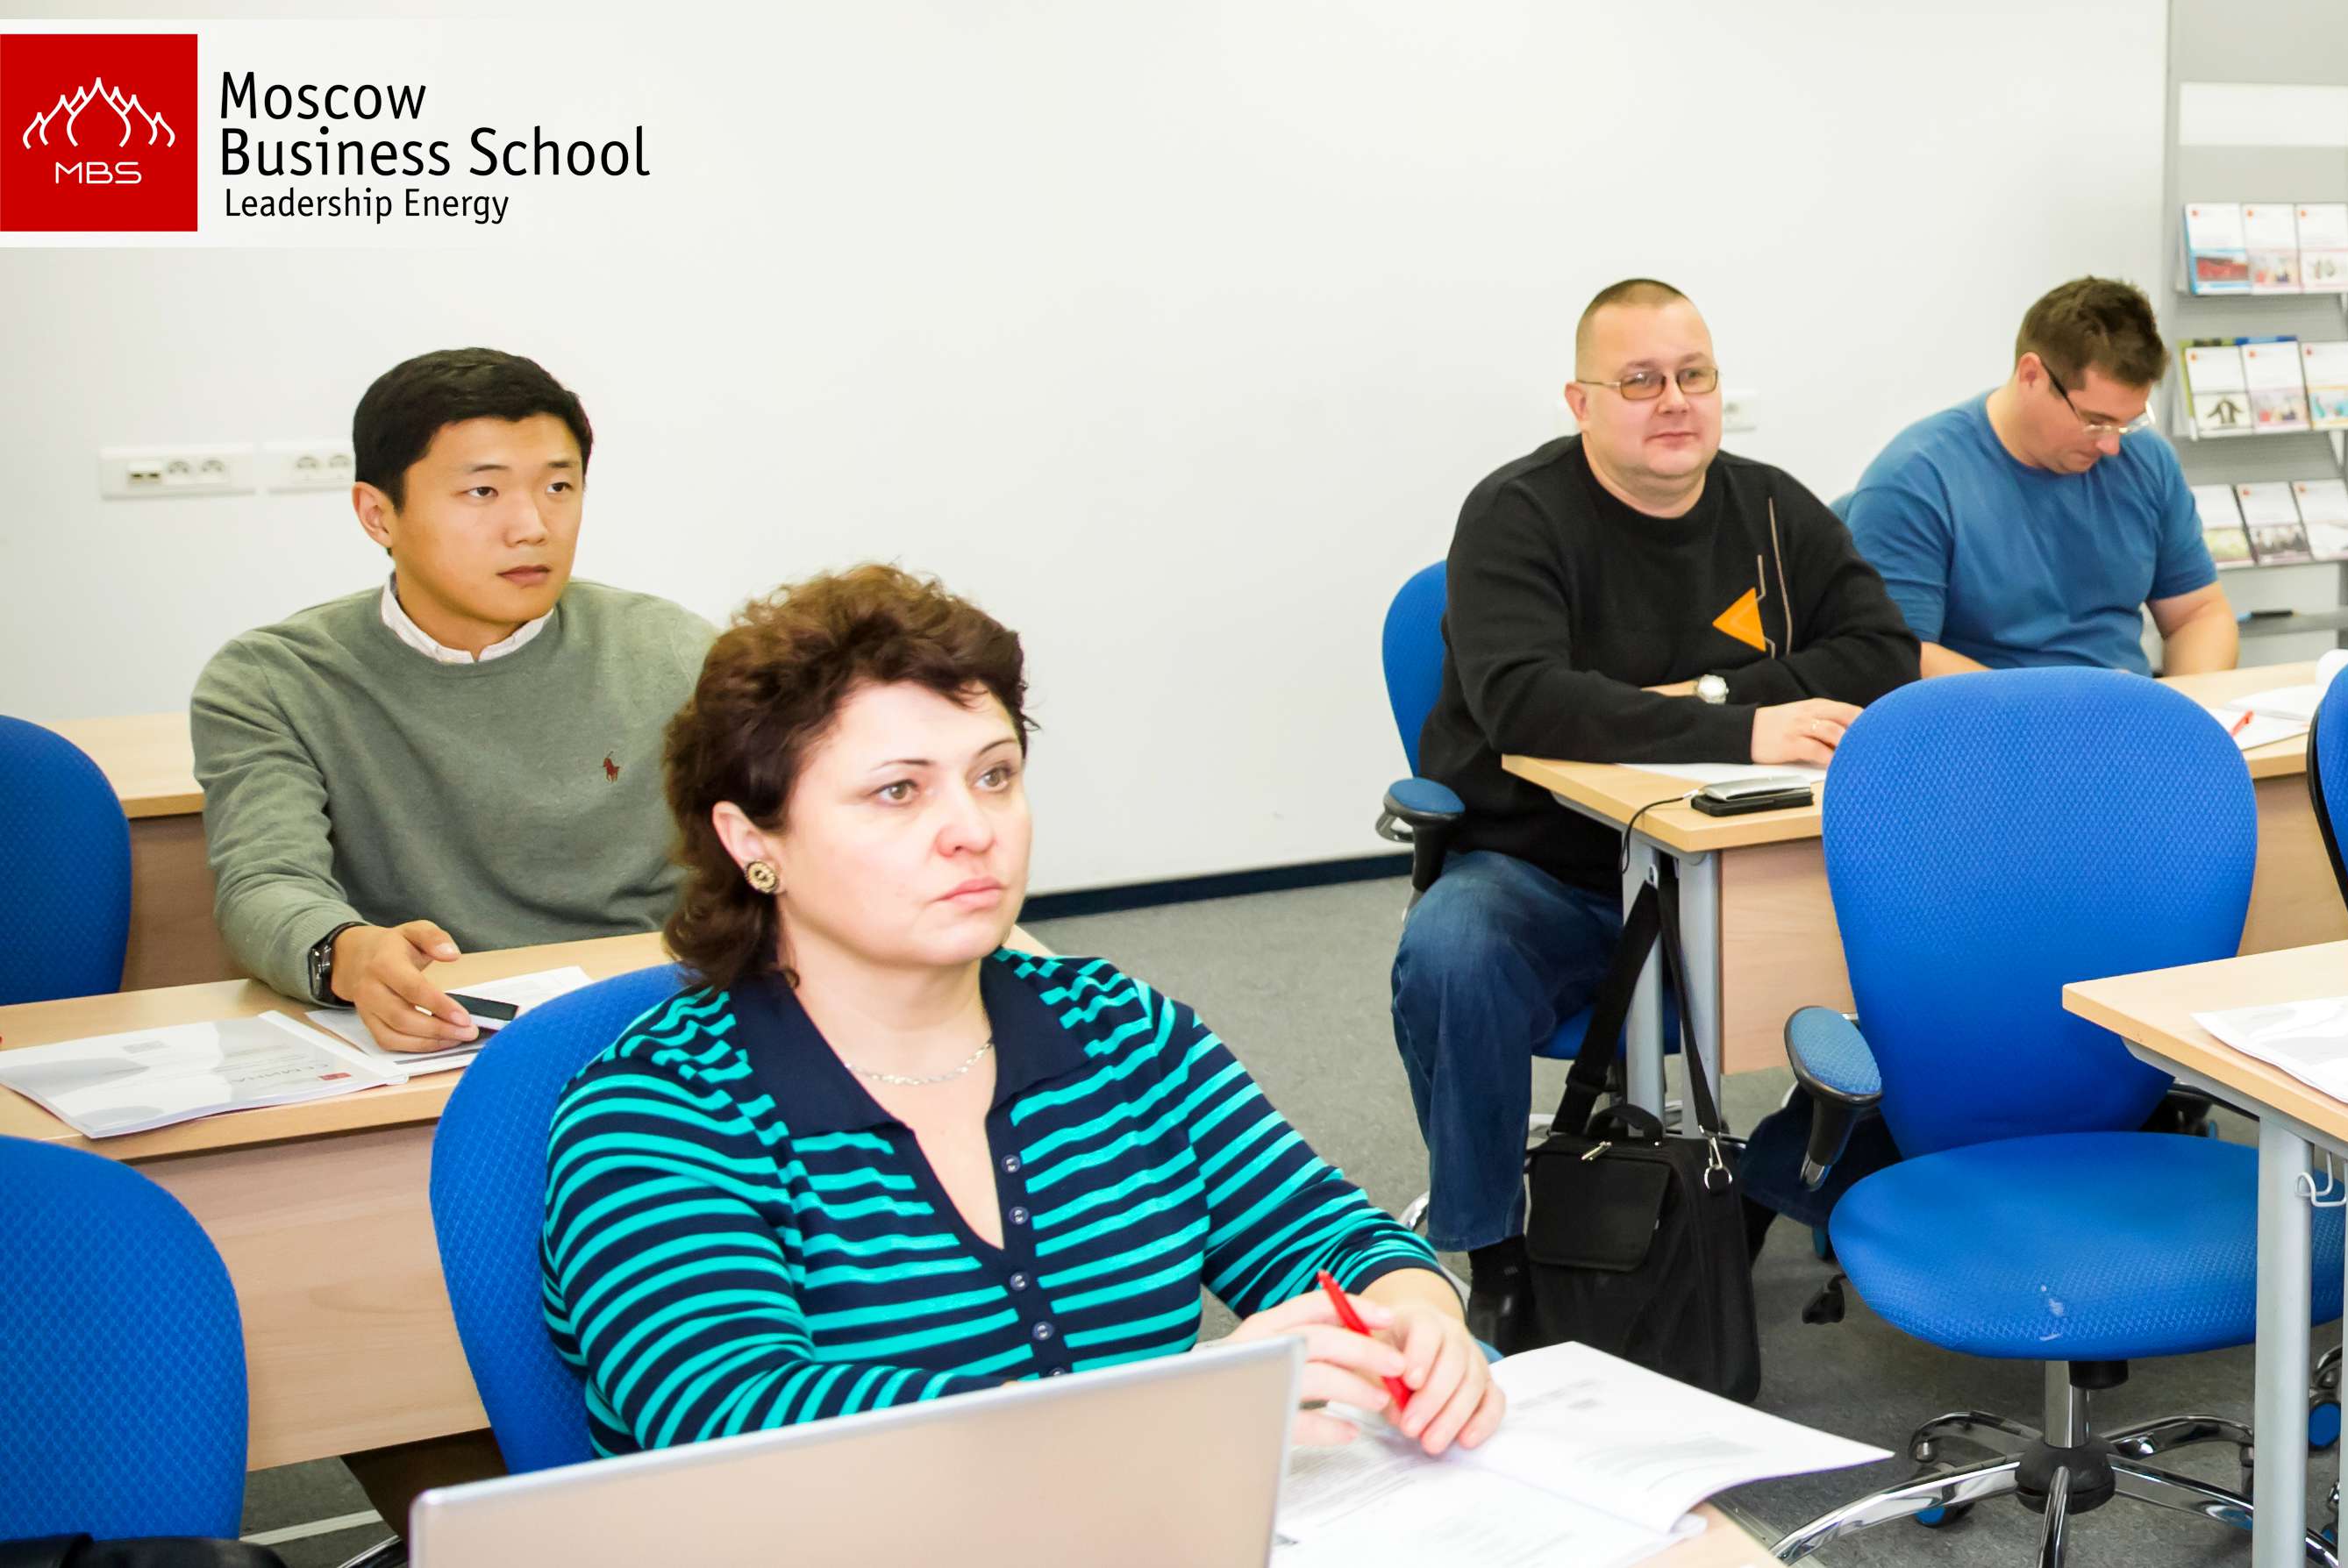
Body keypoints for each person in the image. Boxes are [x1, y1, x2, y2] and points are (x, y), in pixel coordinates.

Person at [543, 565, 1498, 1458]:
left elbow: (1330, 1237)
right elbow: (734, 1423)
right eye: (898, 791)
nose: (973, 829)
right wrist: (1171, 1416)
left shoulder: (1117, 1030)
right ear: (754, 840)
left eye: (994, 775)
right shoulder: (658, 1114)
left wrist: (1416, 1316)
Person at [1389, 278, 1914, 1301]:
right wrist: (1745, 723)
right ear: (1580, 402)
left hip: (1745, 877)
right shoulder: (1515, 515)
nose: (1674, 401)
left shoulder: (1772, 507)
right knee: (1451, 953)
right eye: (1639, 381)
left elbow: (1883, 655)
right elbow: (1527, 704)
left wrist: (1698, 693)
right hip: (1550, 875)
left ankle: (1804, 1176)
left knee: (1945, 934)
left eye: (1694, 376)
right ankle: (1494, 1256)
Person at [195, 348, 716, 1053]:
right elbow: (264, 883)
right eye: (483, 492)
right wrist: (347, 951)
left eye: (559, 486)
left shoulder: (675, 652)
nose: (532, 526)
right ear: (378, 515)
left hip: (655, 1027)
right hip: (436, 1029)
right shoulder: (275, 680)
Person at [1846, 276, 2239, 678]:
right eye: (2095, 420)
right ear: (2031, 375)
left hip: (2123, 705)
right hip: (1991, 711)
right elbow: (1903, 654)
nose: (2111, 445)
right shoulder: (1915, 479)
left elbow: (2197, 614)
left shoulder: (2147, 459)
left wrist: (2190, 704)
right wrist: (2049, 708)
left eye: (2128, 422)